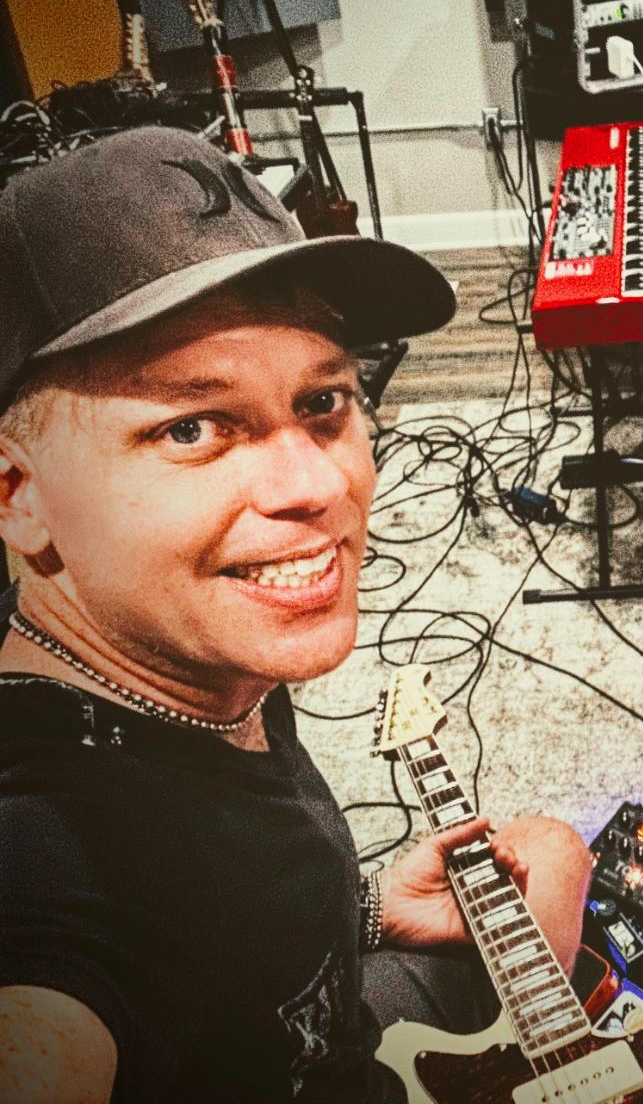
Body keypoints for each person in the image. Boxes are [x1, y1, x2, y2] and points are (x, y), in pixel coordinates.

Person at [0, 126, 593, 1101]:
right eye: (192, 427)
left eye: (323, 402)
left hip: (331, 1017)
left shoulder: (184, 642)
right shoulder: (48, 865)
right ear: (18, 494)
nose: (315, 485)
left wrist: (360, 910)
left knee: (553, 856)